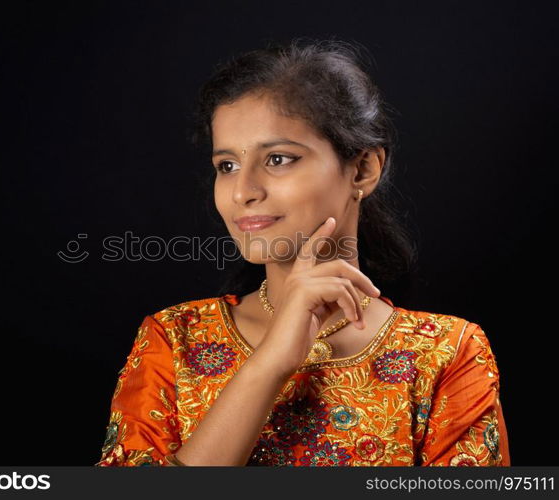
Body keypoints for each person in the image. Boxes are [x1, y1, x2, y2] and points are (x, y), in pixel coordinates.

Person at [94, 38, 510, 467]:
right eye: (227, 166)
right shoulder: (174, 339)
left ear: (363, 169)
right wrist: (270, 363)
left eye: (278, 159)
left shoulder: (446, 354)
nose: (242, 191)